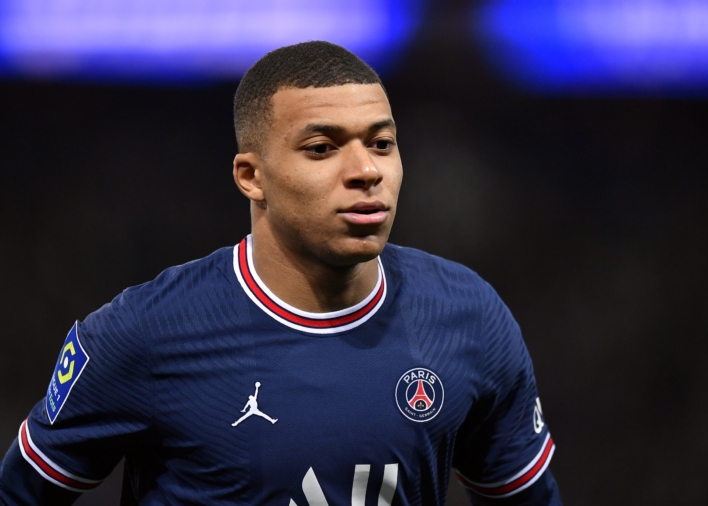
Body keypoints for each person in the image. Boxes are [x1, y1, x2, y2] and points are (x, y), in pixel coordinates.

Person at [0, 41, 561, 505]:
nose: (366, 171)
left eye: (382, 143)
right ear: (251, 175)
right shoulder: (144, 331)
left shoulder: (469, 316)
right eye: (322, 148)